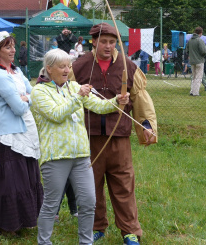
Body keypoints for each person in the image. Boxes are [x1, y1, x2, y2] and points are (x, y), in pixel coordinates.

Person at [68, 22, 158, 245]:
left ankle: (129, 231)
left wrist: (147, 125)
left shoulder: (128, 66)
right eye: (103, 41)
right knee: (91, 185)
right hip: (88, 137)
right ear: (94, 41)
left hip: (119, 138)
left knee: (123, 185)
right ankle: (96, 226)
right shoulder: (79, 66)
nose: (108, 46)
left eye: (112, 42)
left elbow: (141, 100)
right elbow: (67, 98)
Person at [30, 48, 130, 245]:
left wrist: (117, 101)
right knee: (51, 203)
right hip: (55, 156)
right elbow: (56, 114)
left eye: (68, 66)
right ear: (49, 69)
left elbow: (99, 106)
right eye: (62, 66)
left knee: (88, 202)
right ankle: (44, 242)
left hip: (81, 155)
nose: (67, 70)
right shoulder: (39, 91)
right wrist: (77, 97)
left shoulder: (74, 86)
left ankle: (86, 242)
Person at [0, 31, 43, 235]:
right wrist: (25, 99)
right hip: (9, 135)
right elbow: (18, 108)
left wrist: (25, 97)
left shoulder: (16, 71)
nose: (12, 50)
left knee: (27, 177)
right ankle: (9, 225)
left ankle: (26, 220)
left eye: (12, 46)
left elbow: (33, 92)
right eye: (7, 47)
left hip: (26, 129)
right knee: (13, 181)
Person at [186, 27, 206, 96]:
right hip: (199, 61)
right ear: (200, 33)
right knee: (198, 77)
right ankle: (196, 92)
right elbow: (203, 51)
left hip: (192, 61)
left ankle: (192, 91)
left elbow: (187, 51)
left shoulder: (190, 40)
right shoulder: (199, 40)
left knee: (194, 77)